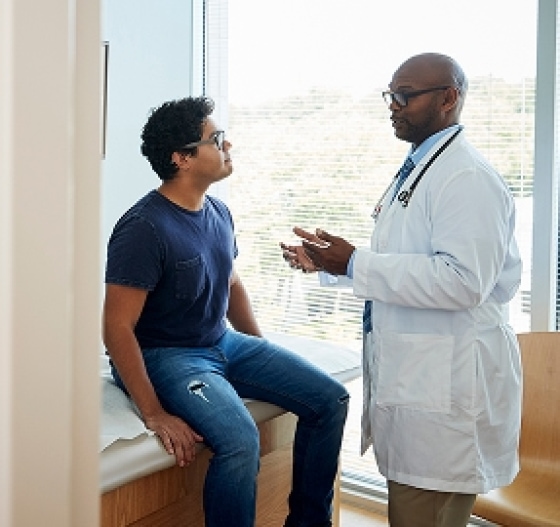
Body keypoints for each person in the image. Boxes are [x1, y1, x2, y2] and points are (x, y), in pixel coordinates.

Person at [283, 53, 523, 527]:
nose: (393, 105)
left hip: (447, 396)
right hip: (425, 384)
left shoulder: (466, 177)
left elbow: (463, 281)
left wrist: (354, 261)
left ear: (449, 98)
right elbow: (410, 260)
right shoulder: (423, 167)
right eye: (390, 95)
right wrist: (333, 266)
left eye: (405, 95)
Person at [103, 96, 350, 527]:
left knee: (330, 400)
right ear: (181, 158)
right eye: (215, 139)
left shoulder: (218, 212)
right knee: (240, 440)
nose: (227, 144)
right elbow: (116, 327)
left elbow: (231, 283)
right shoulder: (143, 228)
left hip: (221, 342)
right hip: (166, 355)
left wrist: (259, 347)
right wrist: (154, 413)